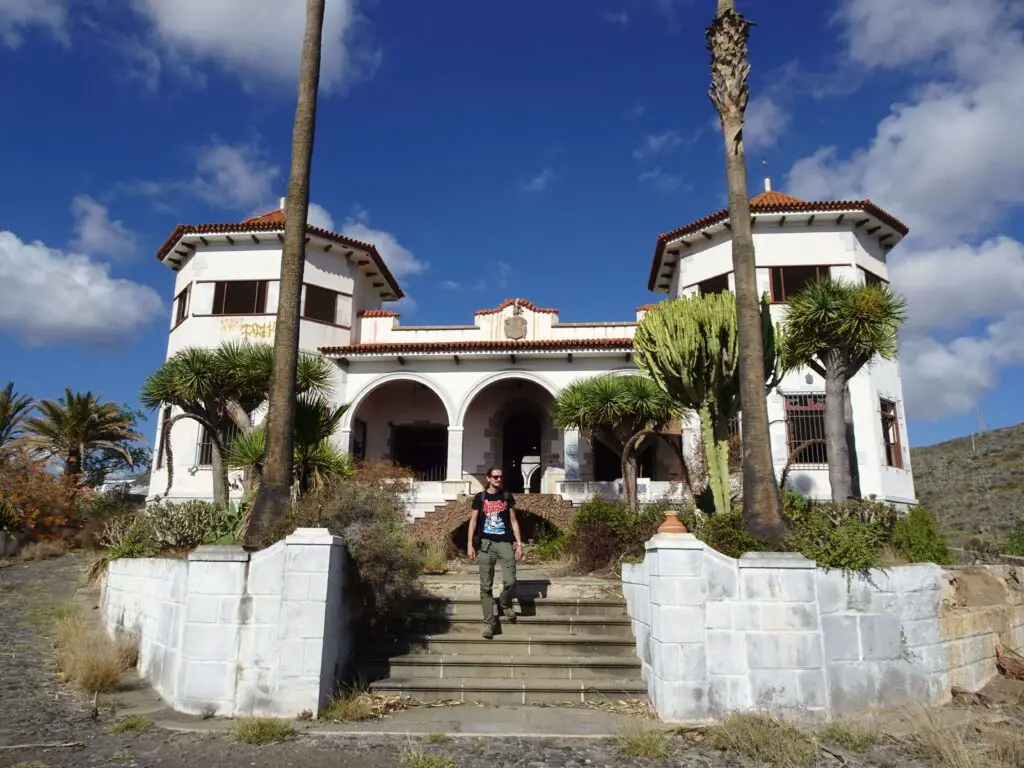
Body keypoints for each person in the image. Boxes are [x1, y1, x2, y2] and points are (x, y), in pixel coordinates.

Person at [467, 466, 524, 639]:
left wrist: (519, 544)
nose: (499, 479)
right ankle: (489, 625)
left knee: (510, 581)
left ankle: (504, 603)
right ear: (488, 479)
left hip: (505, 543)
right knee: (486, 587)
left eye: (501, 477)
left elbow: (513, 521)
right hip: (486, 544)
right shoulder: (480, 498)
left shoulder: (507, 496)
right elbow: (473, 521)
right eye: (496, 477)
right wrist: (470, 544)